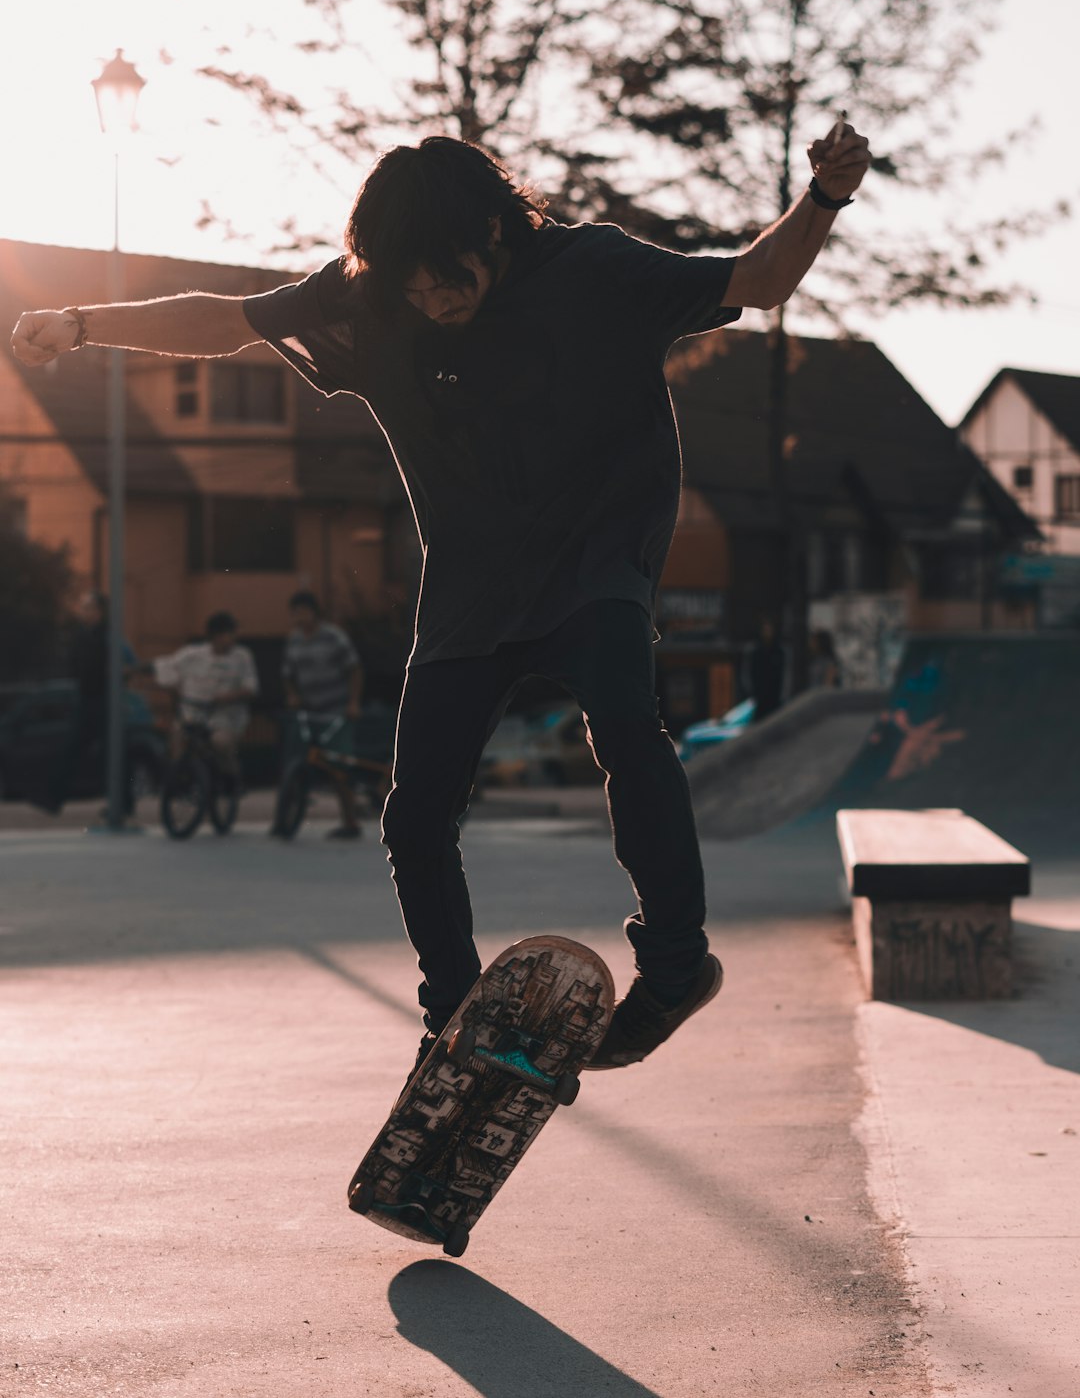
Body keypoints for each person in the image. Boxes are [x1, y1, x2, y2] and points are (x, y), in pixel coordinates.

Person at [11, 123, 872, 1080]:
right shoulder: (369, 296)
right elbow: (227, 319)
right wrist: (84, 321)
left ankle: (675, 966)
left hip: (596, 560)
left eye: (445, 277)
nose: (430, 299)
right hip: (471, 585)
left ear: (496, 232)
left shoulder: (591, 267)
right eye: (408, 284)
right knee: (414, 815)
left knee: (627, 728)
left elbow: (755, 278)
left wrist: (824, 197)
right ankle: (458, 1019)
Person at [279, 590, 364, 839]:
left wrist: (354, 702)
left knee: (338, 767)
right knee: (293, 759)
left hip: (335, 712)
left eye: (303, 611)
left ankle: (350, 822)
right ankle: (283, 818)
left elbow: (355, 669)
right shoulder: (294, 640)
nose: (299, 616)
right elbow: (287, 676)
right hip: (308, 712)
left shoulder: (333, 637)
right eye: (295, 612)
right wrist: (292, 695)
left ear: (314, 612)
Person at [43, 590, 134, 820]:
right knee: (72, 749)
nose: (83, 611)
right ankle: (53, 798)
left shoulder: (110, 638)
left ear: (100, 611)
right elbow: (74, 667)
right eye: (83, 607)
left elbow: (130, 664)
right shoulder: (82, 637)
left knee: (112, 754)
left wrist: (119, 673)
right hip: (87, 702)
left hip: (106, 704)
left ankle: (123, 804)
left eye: (88, 607)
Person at [151, 612, 258, 785]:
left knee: (220, 743)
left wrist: (227, 697)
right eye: (228, 634)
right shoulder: (192, 654)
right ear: (216, 636)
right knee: (178, 734)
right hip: (194, 713)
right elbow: (166, 667)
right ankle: (180, 776)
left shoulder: (242, 657)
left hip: (226, 716)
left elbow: (251, 688)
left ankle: (231, 776)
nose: (232, 638)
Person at [746, 617, 786, 722]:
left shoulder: (779, 652)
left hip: (775, 696)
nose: (767, 633)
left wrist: (783, 694)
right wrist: (752, 692)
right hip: (759, 696)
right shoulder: (755, 652)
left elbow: (784, 674)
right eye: (765, 630)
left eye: (770, 630)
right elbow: (748, 672)